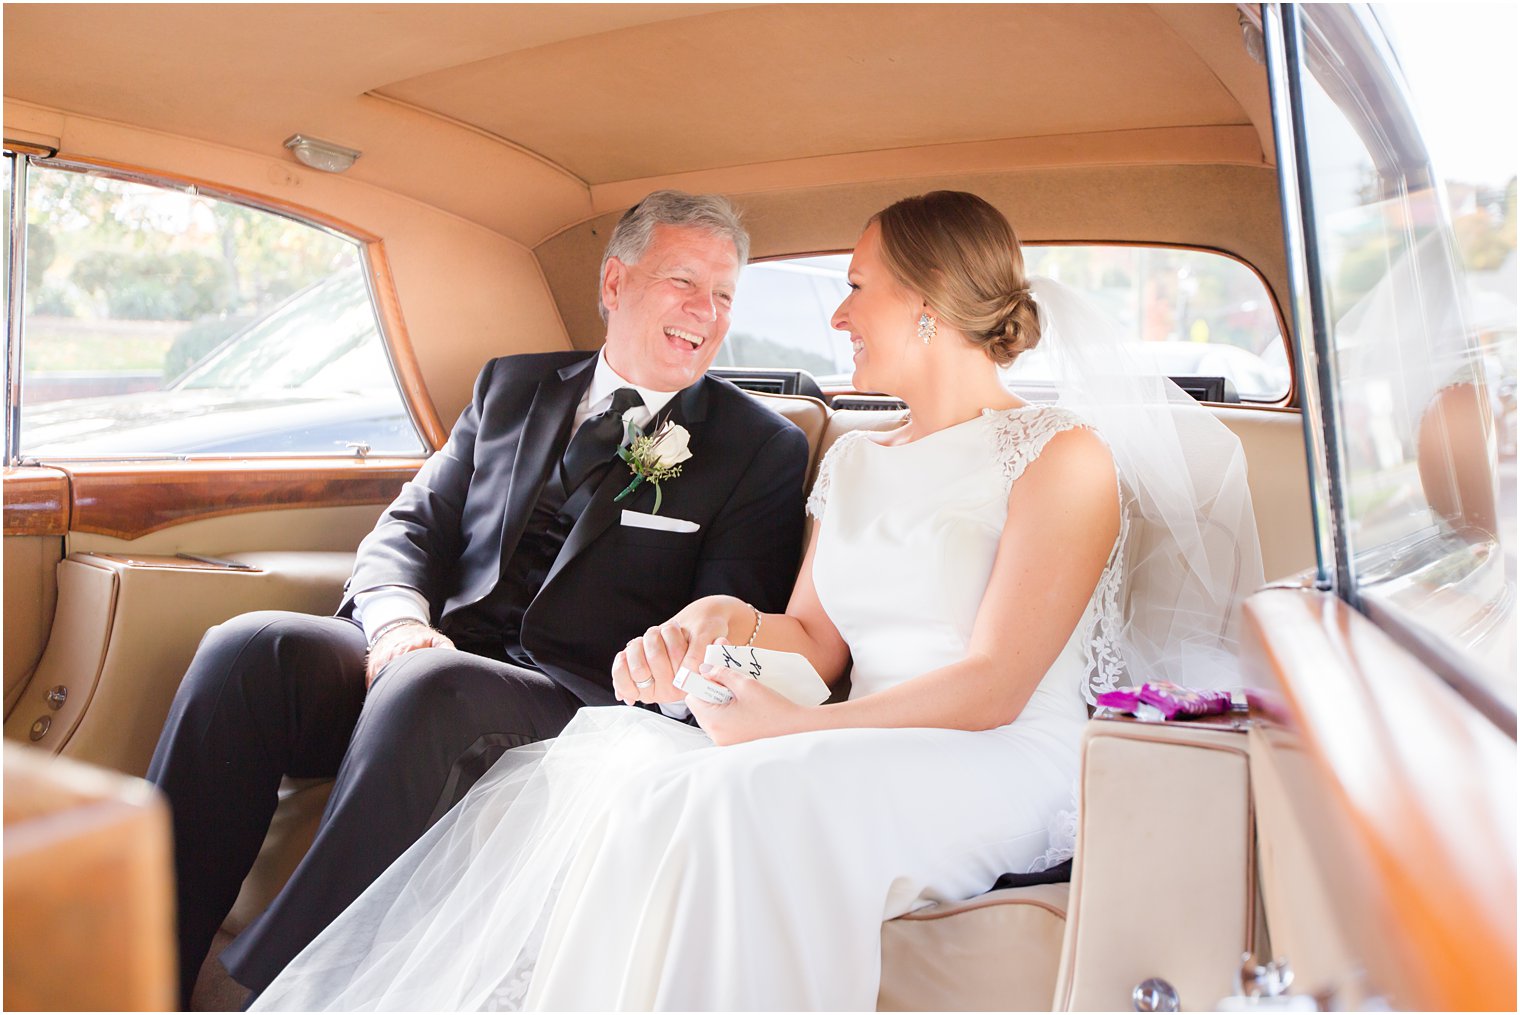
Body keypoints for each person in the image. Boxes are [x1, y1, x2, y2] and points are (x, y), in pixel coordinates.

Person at [252, 190, 1263, 1011]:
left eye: (855, 287)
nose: (835, 315)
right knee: (624, 771)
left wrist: (788, 729)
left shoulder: (1061, 457)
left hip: (997, 750)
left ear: (923, 299)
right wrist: (718, 626)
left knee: (731, 791)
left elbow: (996, 681)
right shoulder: (863, 461)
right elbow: (816, 639)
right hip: (868, 726)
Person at [145, 190, 811, 1006]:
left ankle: (265, 990)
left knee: (435, 686)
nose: (705, 313)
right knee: (247, 647)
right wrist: (397, 624)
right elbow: (410, 528)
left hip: (580, 700)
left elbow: (727, 619)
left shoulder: (760, 447)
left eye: (724, 296)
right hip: (431, 658)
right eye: (684, 284)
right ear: (614, 283)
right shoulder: (511, 387)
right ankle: (136, 972)